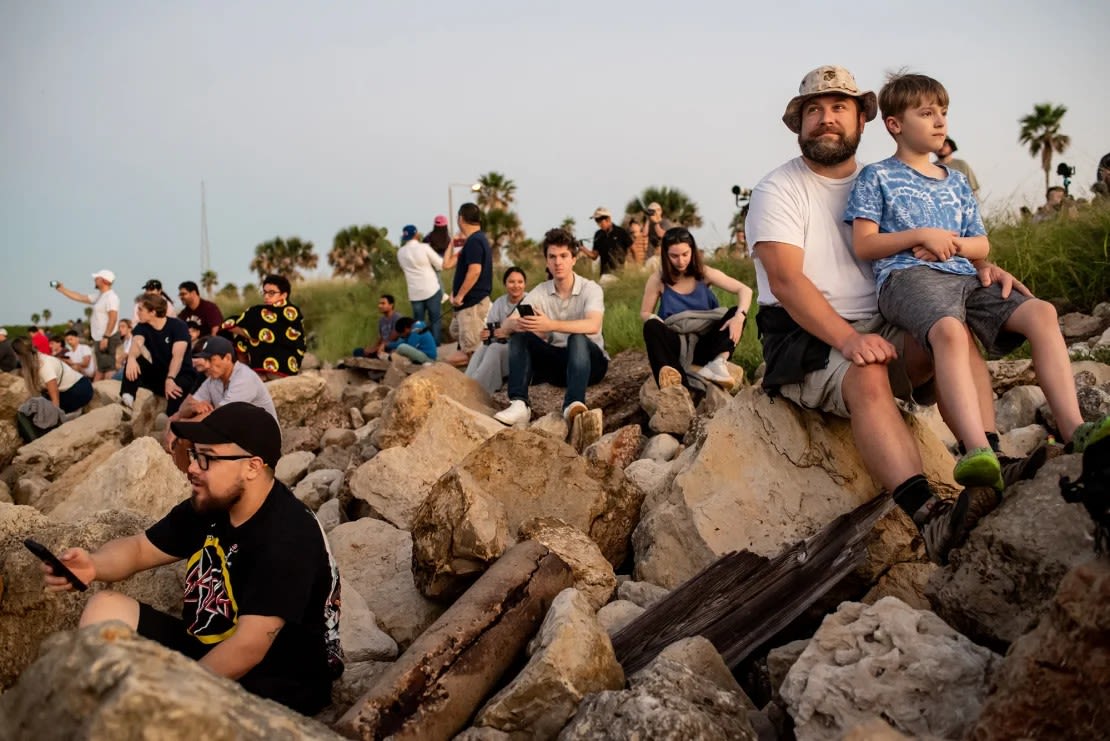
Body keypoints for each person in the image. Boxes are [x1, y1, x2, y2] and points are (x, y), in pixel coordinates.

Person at [746, 64, 1032, 565]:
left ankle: (987, 456)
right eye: (814, 110)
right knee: (868, 374)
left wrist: (985, 267)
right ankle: (928, 515)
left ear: (863, 120)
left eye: (839, 108)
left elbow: (938, 235)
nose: (826, 119)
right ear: (800, 125)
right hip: (805, 332)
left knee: (951, 331)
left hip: (885, 314)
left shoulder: (884, 180)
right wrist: (848, 340)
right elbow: (787, 282)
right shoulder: (779, 190)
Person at [845, 71, 1108, 486]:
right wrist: (920, 236)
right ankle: (977, 448)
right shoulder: (876, 176)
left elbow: (981, 244)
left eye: (944, 112)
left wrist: (952, 247)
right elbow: (864, 244)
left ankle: (1074, 427)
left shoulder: (958, 181)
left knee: (1040, 312)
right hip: (908, 277)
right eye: (927, 113)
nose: (940, 122)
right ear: (894, 124)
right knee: (949, 332)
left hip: (965, 275)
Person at [40, 402, 344, 715]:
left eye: (207, 459)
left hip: (275, 684)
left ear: (252, 466)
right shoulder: (212, 505)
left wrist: (170, 697)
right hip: (207, 650)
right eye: (194, 454)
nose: (193, 468)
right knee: (106, 607)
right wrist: (93, 564)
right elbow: (139, 549)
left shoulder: (288, 534)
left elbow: (249, 648)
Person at [493, 228, 608, 426]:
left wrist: (551, 324)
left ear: (574, 258)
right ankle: (520, 404)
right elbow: (506, 325)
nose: (558, 262)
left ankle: (573, 404)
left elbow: (593, 324)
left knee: (577, 338)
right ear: (547, 261)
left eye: (564, 256)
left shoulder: (590, 288)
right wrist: (525, 323)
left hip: (590, 364)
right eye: (552, 257)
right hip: (558, 366)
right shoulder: (540, 291)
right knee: (521, 336)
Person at [640, 227, 753, 391]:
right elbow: (645, 312)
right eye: (674, 256)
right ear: (665, 255)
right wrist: (653, 319)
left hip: (706, 345)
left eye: (685, 254)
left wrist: (739, 316)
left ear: (692, 251)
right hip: (677, 344)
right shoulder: (658, 279)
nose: (681, 261)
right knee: (651, 326)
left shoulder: (704, 273)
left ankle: (718, 364)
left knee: (735, 312)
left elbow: (745, 290)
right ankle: (676, 382)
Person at [121, 294, 198, 415]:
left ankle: (173, 423)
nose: (137, 312)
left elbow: (177, 357)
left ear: (152, 312)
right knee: (136, 360)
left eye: (140, 309)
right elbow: (137, 342)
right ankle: (127, 399)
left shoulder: (178, 326)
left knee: (175, 393)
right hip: (160, 376)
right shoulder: (142, 327)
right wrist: (131, 358)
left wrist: (170, 379)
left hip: (181, 375)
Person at [220, 274, 306, 378]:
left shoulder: (292, 313)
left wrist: (252, 334)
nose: (266, 296)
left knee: (247, 332)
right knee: (240, 339)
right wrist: (252, 334)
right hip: (259, 370)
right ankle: (244, 374)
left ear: (284, 295)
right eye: (264, 292)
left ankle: (245, 375)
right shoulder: (259, 312)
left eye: (271, 293)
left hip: (283, 368)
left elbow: (281, 333)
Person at [441, 203, 493, 367]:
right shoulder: (473, 241)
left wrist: (461, 295)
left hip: (471, 304)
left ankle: (475, 382)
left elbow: (475, 271)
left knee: (472, 350)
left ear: (460, 219)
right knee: (456, 332)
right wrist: (453, 241)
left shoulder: (475, 242)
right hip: (464, 306)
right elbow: (447, 264)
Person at [466, 266, 528, 394]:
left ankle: (479, 390)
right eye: (511, 282)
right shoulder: (500, 302)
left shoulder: (530, 301)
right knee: (483, 348)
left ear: (525, 284)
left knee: (494, 348)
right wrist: (486, 334)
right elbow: (491, 329)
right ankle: (467, 381)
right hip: (501, 344)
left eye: (520, 282)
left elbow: (532, 332)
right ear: (505, 284)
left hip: (520, 349)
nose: (516, 285)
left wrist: (506, 332)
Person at [54, 269, 120, 380]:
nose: (94, 280)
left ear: (104, 280)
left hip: (107, 337)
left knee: (108, 367)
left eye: (97, 278)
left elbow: (113, 318)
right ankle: (100, 392)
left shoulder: (111, 297)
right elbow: (80, 297)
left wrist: (106, 337)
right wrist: (62, 290)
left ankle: (110, 393)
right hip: (100, 337)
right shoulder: (100, 296)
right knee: (102, 367)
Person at [12, 336, 94, 413]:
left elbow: (55, 398)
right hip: (66, 390)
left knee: (42, 411)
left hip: (78, 389)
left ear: (18, 355)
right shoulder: (35, 362)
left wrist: (55, 415)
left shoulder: (44, 365)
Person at [397, 224, 445, 345]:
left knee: (418, 322)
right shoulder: (424, 247)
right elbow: (440, 264)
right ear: (416, 235)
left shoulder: (400, 252)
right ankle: (435, 346)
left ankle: (420, 345)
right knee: (435, 320)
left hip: (414, 292)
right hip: (431, 288)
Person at [583, 207, 632, 283]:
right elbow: (594, 256)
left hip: (620, 273)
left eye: (600, 220)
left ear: (608, 219)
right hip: (604, 275)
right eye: (597, 221)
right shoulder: (598, 235)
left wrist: (636, 266)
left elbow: (632, 249)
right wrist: (582, 248)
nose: (598, 224)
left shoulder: (621, 232)